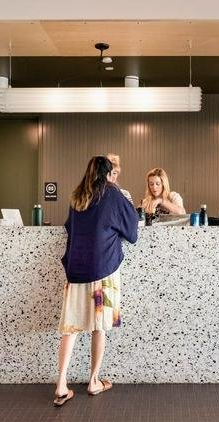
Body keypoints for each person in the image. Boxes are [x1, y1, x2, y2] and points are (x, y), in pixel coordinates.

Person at [53, 156, 138, 407]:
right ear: (109, 173)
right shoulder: (113, 194)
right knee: (99, 326)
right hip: (103, 269)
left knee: (70, 328)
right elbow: (132, 232)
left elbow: (70, 228)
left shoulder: (78, 196)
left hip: (77, 269)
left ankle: (61, 385)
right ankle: (93, 381)